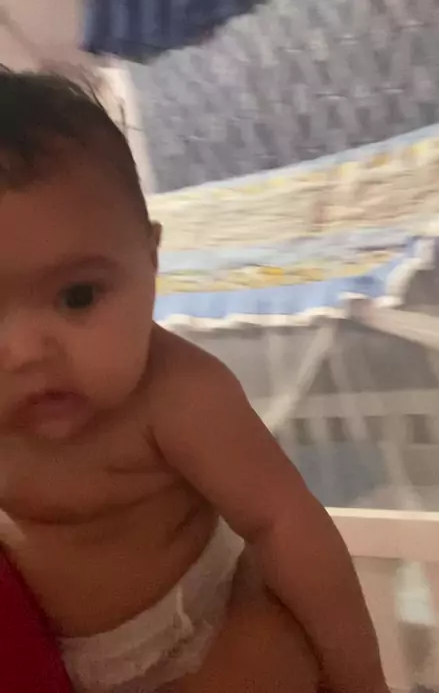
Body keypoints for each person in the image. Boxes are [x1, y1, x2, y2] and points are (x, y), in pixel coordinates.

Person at [0, 70, 388, 693]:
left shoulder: (178, 394)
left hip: (207, 626)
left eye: (78, 296)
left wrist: (361, 680)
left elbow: (285, 524)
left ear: (150, 260)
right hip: (61, 665)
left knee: (273, 653)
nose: (25, 353)